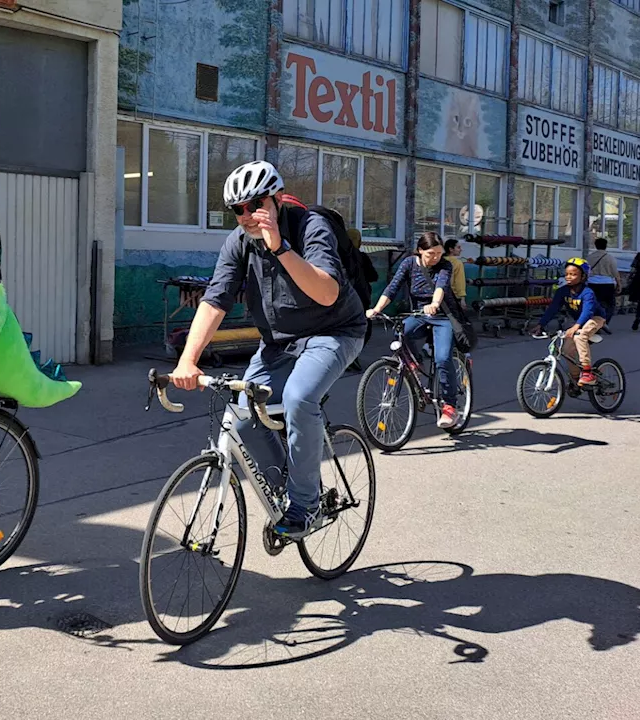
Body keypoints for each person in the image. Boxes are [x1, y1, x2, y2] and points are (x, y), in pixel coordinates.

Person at [170, 160, 366, 538]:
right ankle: (285, 495)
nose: (246, 216)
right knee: (243, 412)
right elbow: (215, 301)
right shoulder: (239, 241)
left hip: (335, 332)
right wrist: (188, 359)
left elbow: (327, 293)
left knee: (298, 399)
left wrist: (280, 248)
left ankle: (304, 506)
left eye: (255, 205)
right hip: (279, 343)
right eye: (237, 210)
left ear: (276, 199)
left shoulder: (311, 227)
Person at [365, 232, 460, 429]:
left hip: (442, 316)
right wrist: (376, 309)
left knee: (442, 358)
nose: (436, 257)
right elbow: (392, 288)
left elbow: (441, 286)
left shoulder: (445, 265)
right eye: (431, 253)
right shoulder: (409, 263)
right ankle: (415, 367)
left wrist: (434, 303)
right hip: (418, 314)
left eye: (439, 253)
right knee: (401, 334)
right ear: (419, 251)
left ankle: (450, 406)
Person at [529, 258, 609, 387]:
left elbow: (588, 312)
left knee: (580, 336)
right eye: (567, 274)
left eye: (573, 274)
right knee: (566, 350)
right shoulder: (562, 291)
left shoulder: (587, 292)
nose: (569, 277)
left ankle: (587, 372)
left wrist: (576, 327)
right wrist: (541, 324)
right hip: (578, 321)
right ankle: (576, 378)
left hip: (595, 318)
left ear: (583, 276)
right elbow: (553, 308)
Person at [346, 228, 379, 370]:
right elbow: (374, 276)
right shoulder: (362, 257)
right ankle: (352, 357)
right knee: (365, 329)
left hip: (343, 299)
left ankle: (348, 357)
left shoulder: (339, 255)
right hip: (361, 298)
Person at [585, 236, 621, 334]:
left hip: (592, 283)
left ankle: (595, 323)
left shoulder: (589, 257)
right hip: (607, 283)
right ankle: (604, 322)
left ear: (596, 246)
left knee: (595, 304)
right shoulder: (610, 258)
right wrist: (619, 284)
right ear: (606, 246)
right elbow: (615, 273)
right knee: (610, 305)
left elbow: (585, 270)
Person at [443, 236, 468, 310]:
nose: (461, 250)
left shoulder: (440, 261)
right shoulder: (457, 263)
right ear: (451, 249)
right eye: (458, 247)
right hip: (453, 296)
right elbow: (459, 282)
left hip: (439, 295)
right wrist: (462, 299)